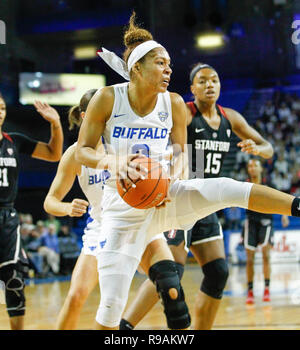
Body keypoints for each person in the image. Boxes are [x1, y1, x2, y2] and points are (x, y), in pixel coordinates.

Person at [75, 13, 300, 331]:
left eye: (169, 63)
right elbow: (83, 151)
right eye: (161, 63)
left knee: (225, 187)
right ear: (137, 68)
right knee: (111, 307)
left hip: (163, 195)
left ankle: (297, 205)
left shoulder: (174, 103)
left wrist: (172, 179)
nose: (169, 70)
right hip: (121, 209)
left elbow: (180, 153)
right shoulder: (108, 97)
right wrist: (115, 163)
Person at [120, 62, 275, 330]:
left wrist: (258, 149)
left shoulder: (231, 118)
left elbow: (268, 147)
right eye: (202, 81)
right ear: (192, 89)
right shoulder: (186, 114)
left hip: (207, 204)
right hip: (180, 198)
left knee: (218, 272)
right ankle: (125, 327)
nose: (209, 85)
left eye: (213, 80)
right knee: (172, 271)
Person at [43, 88, 108, 330]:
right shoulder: (74, 154)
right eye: (99, 112)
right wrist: (68, 207)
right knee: (75, 296)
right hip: (100, 227)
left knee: (164, 284)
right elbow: (50, 201)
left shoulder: (124, 145)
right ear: (83, 117)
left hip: (131, 224)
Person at [0, 92, 63, 330]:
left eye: (3, 108)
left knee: (15, 280)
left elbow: (53, 154)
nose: (0, 112)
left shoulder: (13, 141)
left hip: (6, 218)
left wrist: (55, 124)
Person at [242, 159, 289, 304]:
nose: (252, 168)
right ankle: (250, 291)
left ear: (261, 168)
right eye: (250, 165)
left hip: (266, 222)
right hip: (251, 223)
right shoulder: (244, 184)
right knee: (249, 260)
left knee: (266, 256)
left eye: (255, 165)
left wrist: (285, 214)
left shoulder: (269, 185)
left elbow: (281, 199)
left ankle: (266, 289)